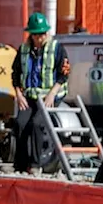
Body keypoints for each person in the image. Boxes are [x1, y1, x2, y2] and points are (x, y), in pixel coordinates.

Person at [10, 12, 70, 173]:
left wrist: (52, 94)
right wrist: (19, 94)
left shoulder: (56, 49)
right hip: (29, 95)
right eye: (37, 35)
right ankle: (21, 165)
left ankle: (36, 165)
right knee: (20, 124)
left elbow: (64, 73)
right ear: (31, 35)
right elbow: (15, 74)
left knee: (37, 124)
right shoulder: (23, 50)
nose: (41, 38)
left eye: (43, 34)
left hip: (50, 96)